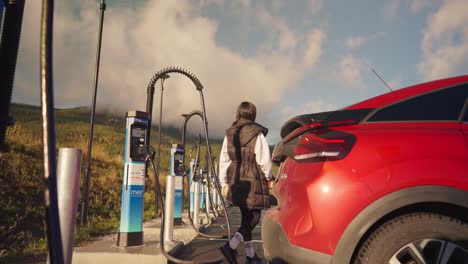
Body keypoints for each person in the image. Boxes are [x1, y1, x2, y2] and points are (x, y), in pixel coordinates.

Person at [218, 101, 273, 264]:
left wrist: (224, 182)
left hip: (236, 179)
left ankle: (250, 256)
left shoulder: (230, 134)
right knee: (254, 218)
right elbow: (264, 159)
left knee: (245, 218)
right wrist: (269, 177)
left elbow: (223, 159)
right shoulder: (257, 133)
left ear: (239, 114)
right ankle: (231, 245)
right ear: (253, 114)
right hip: (253, 179)